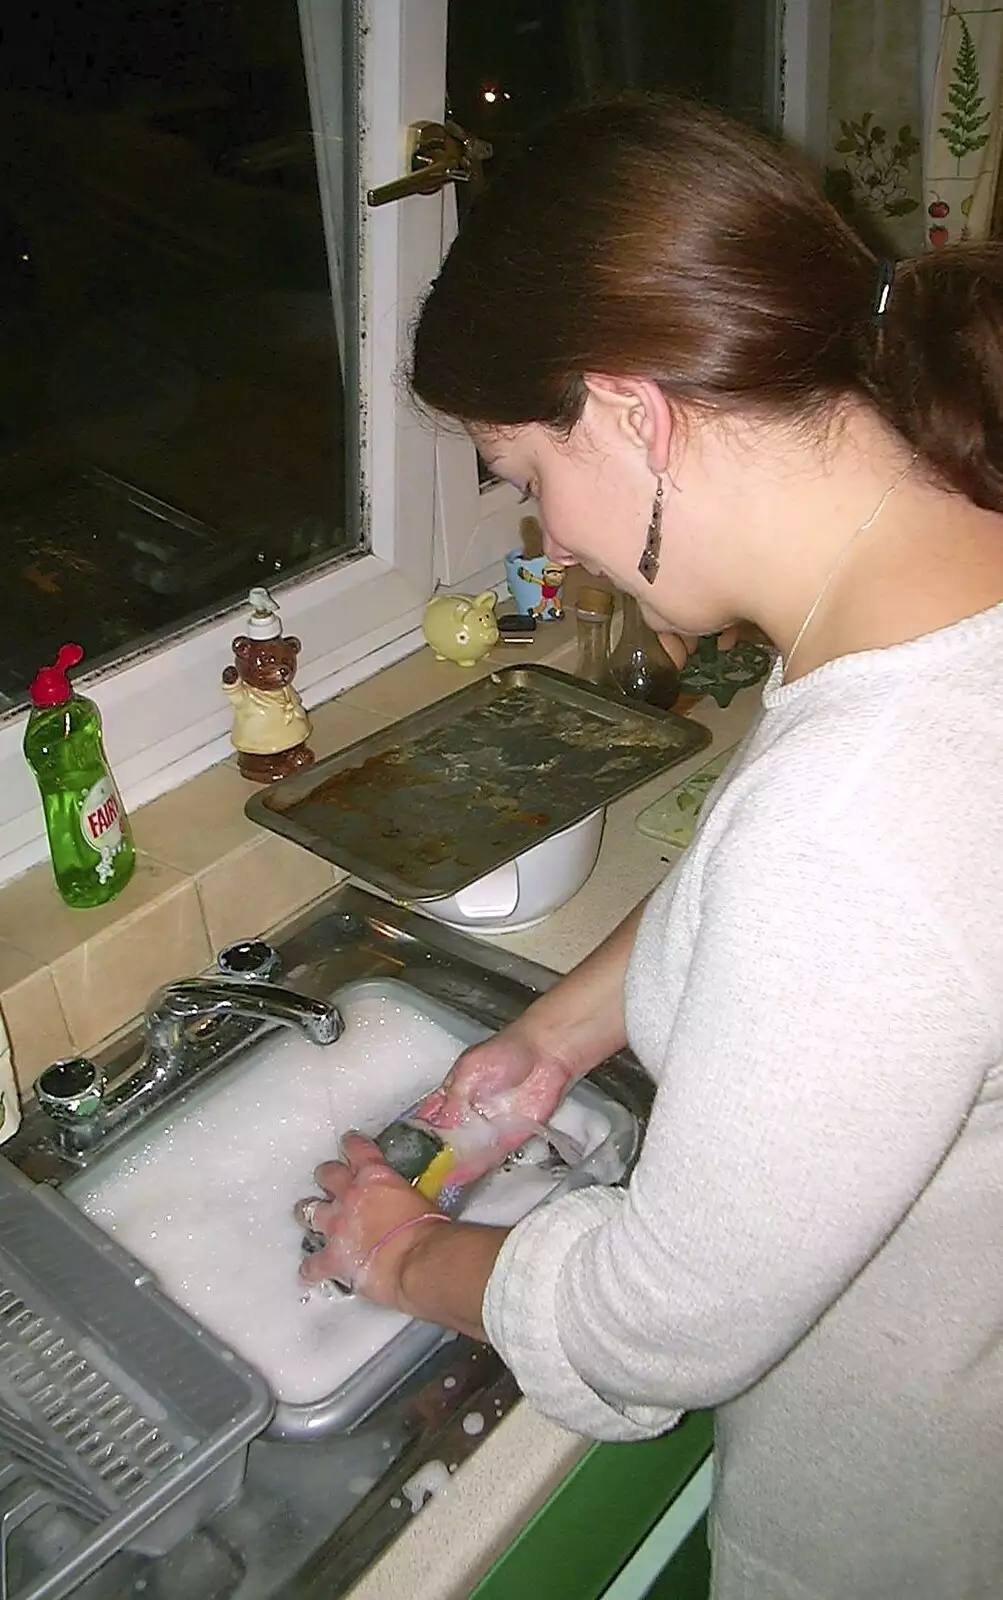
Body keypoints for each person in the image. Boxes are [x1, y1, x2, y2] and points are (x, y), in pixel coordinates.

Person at [295, 93, 1003, 1598]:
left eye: (522, 472)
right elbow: (784, 849)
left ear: (631, 413)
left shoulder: (860, 818)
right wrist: (555, 1034)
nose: (545, 538)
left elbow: (661, 1322)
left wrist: (399, 1248)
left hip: (906, 1518)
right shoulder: (939, 573)